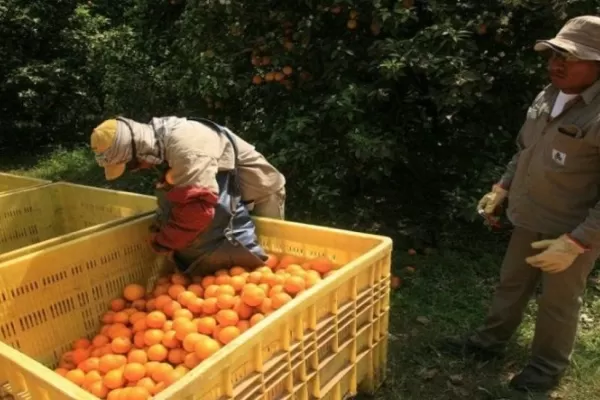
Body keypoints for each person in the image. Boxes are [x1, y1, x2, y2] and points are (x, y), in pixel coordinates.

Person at [444, 15, 600, 392]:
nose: (556, 63)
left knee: (559, 301)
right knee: (511, 282)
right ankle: (488, 343)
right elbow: (525, 150)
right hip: (530, 214)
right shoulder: (547, 95)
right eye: (553, 53)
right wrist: (502, 186)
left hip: (573, 227)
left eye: (570, 56)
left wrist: (578, 241)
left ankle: (545, 370)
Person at [90, 116, 286, 272]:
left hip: (261, 193)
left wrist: (164, 242)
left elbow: (198, 210)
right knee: (249, 269)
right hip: (235, 198)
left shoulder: (187, 147)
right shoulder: (159, 139)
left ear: (136, 148)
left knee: (268, 264)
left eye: (131, 165)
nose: (137, 169)